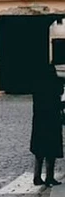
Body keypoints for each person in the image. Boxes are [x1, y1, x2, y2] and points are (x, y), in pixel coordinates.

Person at [30, 59, 63, 187]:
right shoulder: (54, 85)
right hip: (52, 120)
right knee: (51, 151)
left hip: (39, 121)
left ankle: (37, 176)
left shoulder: (37, 85)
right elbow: (56, 102)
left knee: (40, 151)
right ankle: (49, 177)